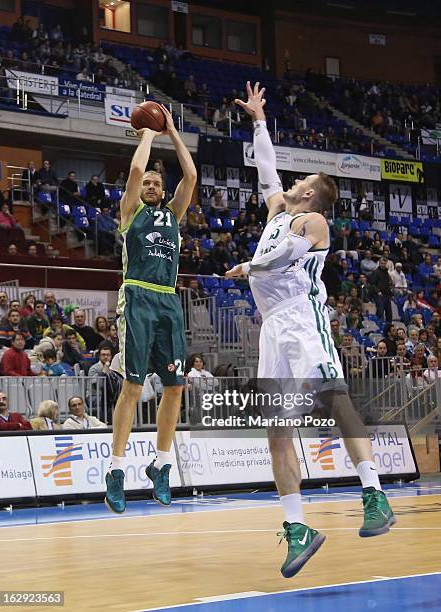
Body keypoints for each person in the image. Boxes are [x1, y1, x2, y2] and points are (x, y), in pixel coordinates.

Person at [225, 81, 394, 578]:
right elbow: (266, 164)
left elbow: (283, 259)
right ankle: (297, 528)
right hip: (273, 328)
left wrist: (249, 266)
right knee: (276, 430)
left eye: (303, 178)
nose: (292, 180)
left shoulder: (316, 220)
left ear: (314, 191)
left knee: (334, 396)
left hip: (303, 316)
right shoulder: (279, 211)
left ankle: (375, 494)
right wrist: (257, 120)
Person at [105, 104, 196, 514]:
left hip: (168, 299)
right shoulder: (132, 211)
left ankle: (160, 465)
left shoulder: (173, 215)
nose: (153, 186)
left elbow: (191, 176)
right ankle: (117, 469)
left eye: (159, 183)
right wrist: (147, 133)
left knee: (176, 387)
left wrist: (172, 131)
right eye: (150, 183)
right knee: (134, 387)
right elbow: (135, 174)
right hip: (138, 295)